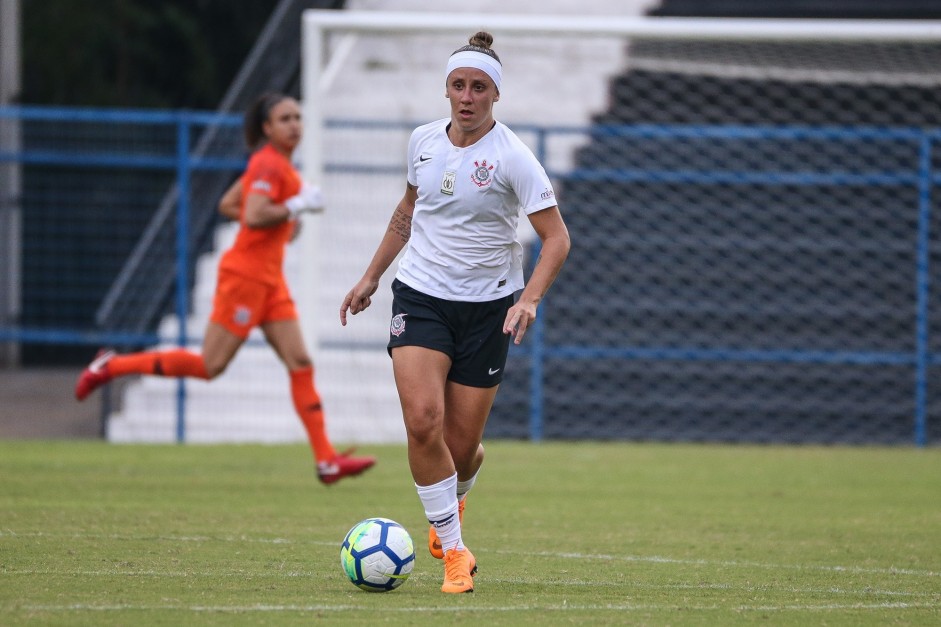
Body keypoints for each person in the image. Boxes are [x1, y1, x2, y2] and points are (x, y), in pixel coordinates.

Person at [340, 32, 570, 593]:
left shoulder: (513, 157)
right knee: (423, 422)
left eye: (479, 87)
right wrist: (373, 275)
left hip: (488, 308)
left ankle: (450, 512)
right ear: (447, 90)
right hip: (420, 299)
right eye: (458, 86)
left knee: (461, 449)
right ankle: (455, 553)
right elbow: (409, 208)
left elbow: (557, 239)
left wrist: (529, 300)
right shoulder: (422, 141)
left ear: (495, 95)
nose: (467, 97)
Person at [76, 92, 376, 486]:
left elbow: (228, 204)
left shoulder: (275, 165)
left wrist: (287, 217)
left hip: (270, 280)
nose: (294, 124)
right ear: (267, 128)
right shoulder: (269, 162)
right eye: (284, 118)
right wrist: (294, 207)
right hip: (246, 278)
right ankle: (111, 366)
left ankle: (326, 460)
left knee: (300, 362)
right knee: (210, 365)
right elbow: (253, 212)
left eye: (298, 117)